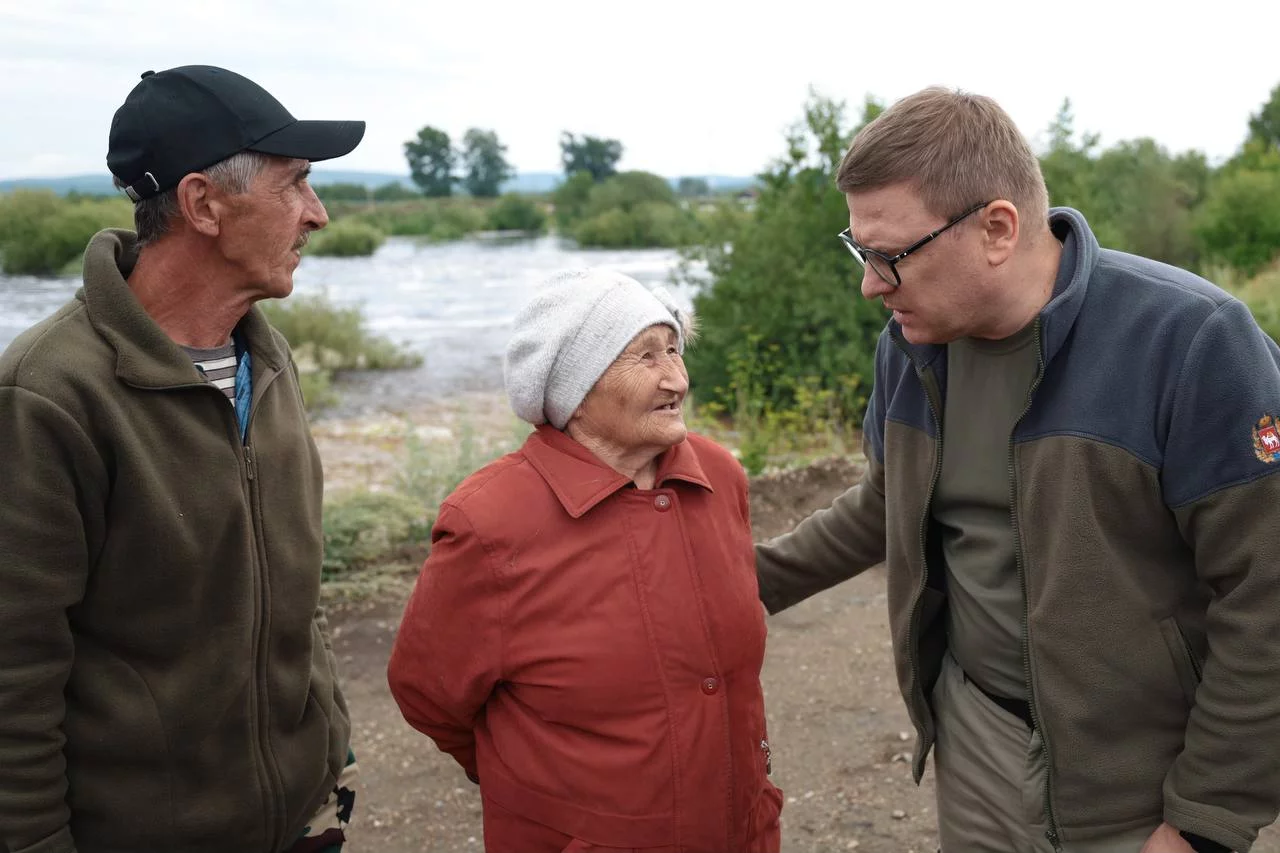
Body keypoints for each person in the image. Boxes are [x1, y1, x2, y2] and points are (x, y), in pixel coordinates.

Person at [755, 86, 1280, 853]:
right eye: (859, 250)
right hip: (977, 743)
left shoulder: (1194, 343)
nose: (870, 284)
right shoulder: (910, 342)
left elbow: (1266, 597)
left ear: (997, 229)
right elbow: (886, 502)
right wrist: (739, 582)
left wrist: (1203, 818)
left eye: (889, 255)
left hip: (1139, 781)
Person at [0, 65, 366, 853]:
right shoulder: (47, 395)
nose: (319, 214)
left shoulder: (266, 362)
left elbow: (289, 594)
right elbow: (12, 676)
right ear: (204, 203)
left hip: (302, 821)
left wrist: (330, 743)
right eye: (295, 183)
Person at [387, 269, 783, 852]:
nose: (677, 376)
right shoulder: (491, 522)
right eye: (644, 356)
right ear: (574, 387)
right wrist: (538, 785)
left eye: (674, 349)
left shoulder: (719, 475)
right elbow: (429, 694)